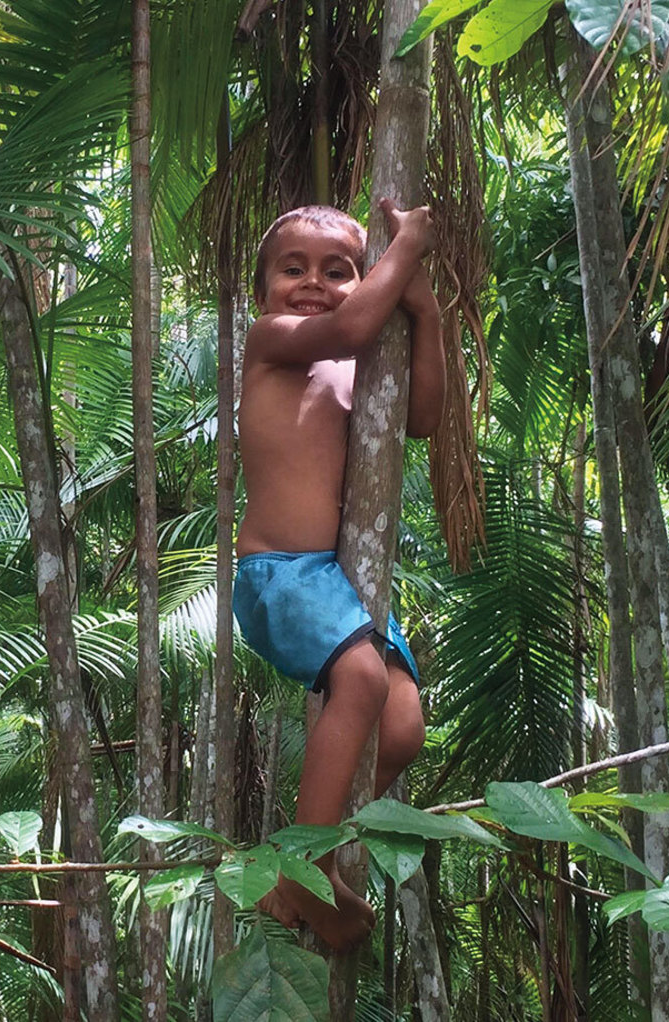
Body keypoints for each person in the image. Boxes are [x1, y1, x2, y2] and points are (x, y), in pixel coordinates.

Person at [232, 200, 444, 950]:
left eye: (338, 270)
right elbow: (352, 324)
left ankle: (308, 860)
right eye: (294, 269)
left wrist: (424, 310)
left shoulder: (359, 367)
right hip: (278, 575)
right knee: (359, 681)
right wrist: (409, 245)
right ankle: (299, 868)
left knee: (404, 725)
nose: (314, 284)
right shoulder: (274, 340)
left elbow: (421, 416)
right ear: (263, 290)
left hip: (336, 584)